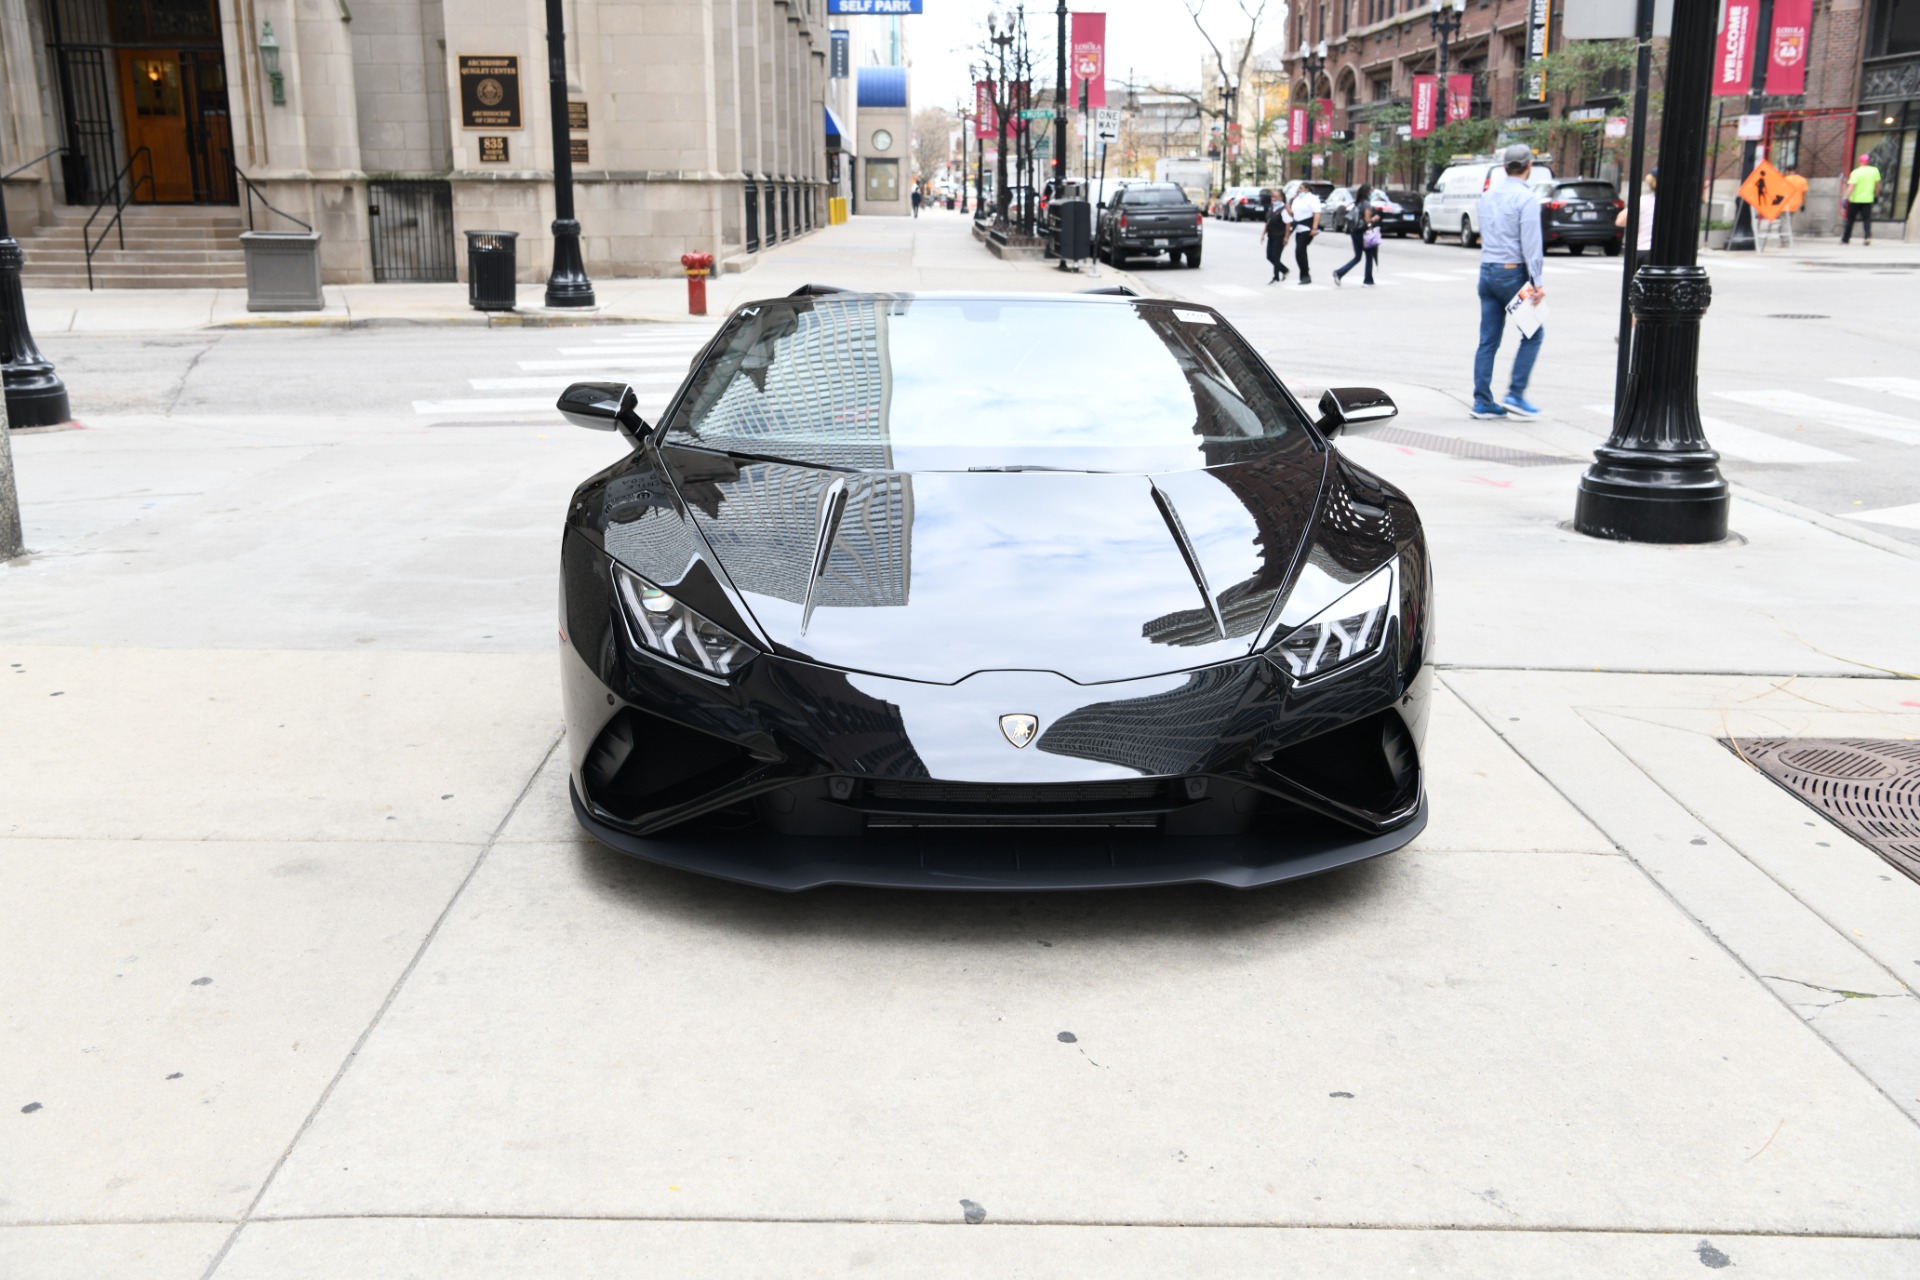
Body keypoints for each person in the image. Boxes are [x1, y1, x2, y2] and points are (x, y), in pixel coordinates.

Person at [1470, 144, 1546, 420]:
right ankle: (1515, 393)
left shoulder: (1487, 196)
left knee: (1488, 340)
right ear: (1529, 166)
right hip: (1512, 274)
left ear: (1504, 167)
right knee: (1534, 334)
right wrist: (1537, 282)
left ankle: (1482, 401)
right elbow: (1531, 244)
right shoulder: (1526, 199)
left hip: (1487, 271)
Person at [1334, 184, 1380, 286]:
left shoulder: (1357, 203)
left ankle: (1339, 273)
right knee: (1368, 255)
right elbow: (1367, 219)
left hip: (1354, 231)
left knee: (1358, 257)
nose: (1373, 193)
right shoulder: (1367, 204)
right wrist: (1375, 218)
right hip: (1363, 232)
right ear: (1367, 192)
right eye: (1372, 191)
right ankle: (1368, 280)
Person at [1615, 168, 1656, 271]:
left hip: (1641, 250)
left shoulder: (1643, 200)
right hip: (1659, 254)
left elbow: (1620, 221)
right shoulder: (1675, 203)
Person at [1287, 182, 1322, 284]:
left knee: (1299, 250)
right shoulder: (1297, 199)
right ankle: (1304, 273)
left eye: (1301, 188)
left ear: (1307, 189)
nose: (1299, 190)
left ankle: (1305, 274)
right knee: (1300, 252)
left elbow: (1317, 213)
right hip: (1298, 228)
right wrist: (1288, 208)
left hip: (1307, 227)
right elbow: (1294, 213)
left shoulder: (1312, 198)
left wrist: (1314, 228)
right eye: (1299, 188)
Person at [1842, 154, 1880, 244]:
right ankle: (1867, 237)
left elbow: (1851, 187)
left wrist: (1845, 198)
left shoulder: (1856, 172)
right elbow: (1877, 185)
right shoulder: (1874, 171)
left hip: (1855, 200)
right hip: (1868, 200)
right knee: (1866, 219)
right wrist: (1877, 195)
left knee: (1850, 220)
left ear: (1859, 161)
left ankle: (1846, 239)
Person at [1259, 188, 1291, 283]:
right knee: (1269, 256)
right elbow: (1268, 221)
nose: (1273, 199)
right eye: (1273, 197)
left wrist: (1286, 237)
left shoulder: (1283, 209)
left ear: (1281, 198)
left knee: (1276, 257)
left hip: (1279, 235)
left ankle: (1276, 277)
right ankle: (1284, 270)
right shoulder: (1272, 207)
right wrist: (1263, 234)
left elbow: (1288, 223)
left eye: (1275, 197)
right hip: (1271, 235)